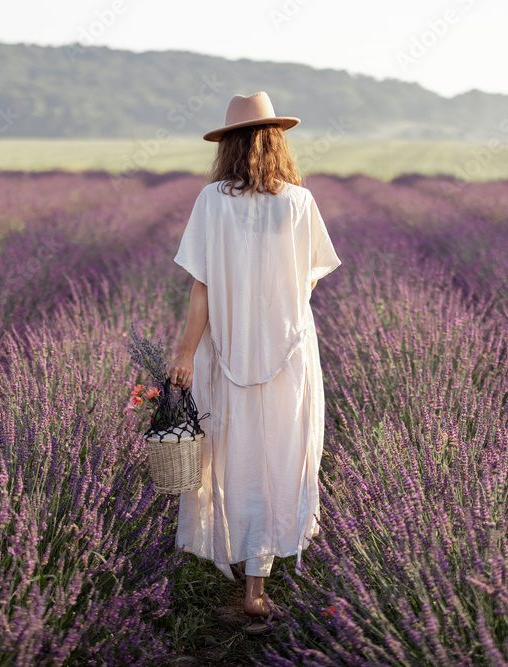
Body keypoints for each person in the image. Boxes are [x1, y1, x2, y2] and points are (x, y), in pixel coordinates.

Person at [168, 91, 342, 634]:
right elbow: (310, 276)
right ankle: (257, 588)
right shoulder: (299, 202)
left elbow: (201, 286)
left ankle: (240, 553)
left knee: (228, 452)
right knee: (280, 453)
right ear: (276, 142)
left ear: (230, 146)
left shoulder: (210, 202)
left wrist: (185, 351)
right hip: (288, 350)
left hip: (226, 348)